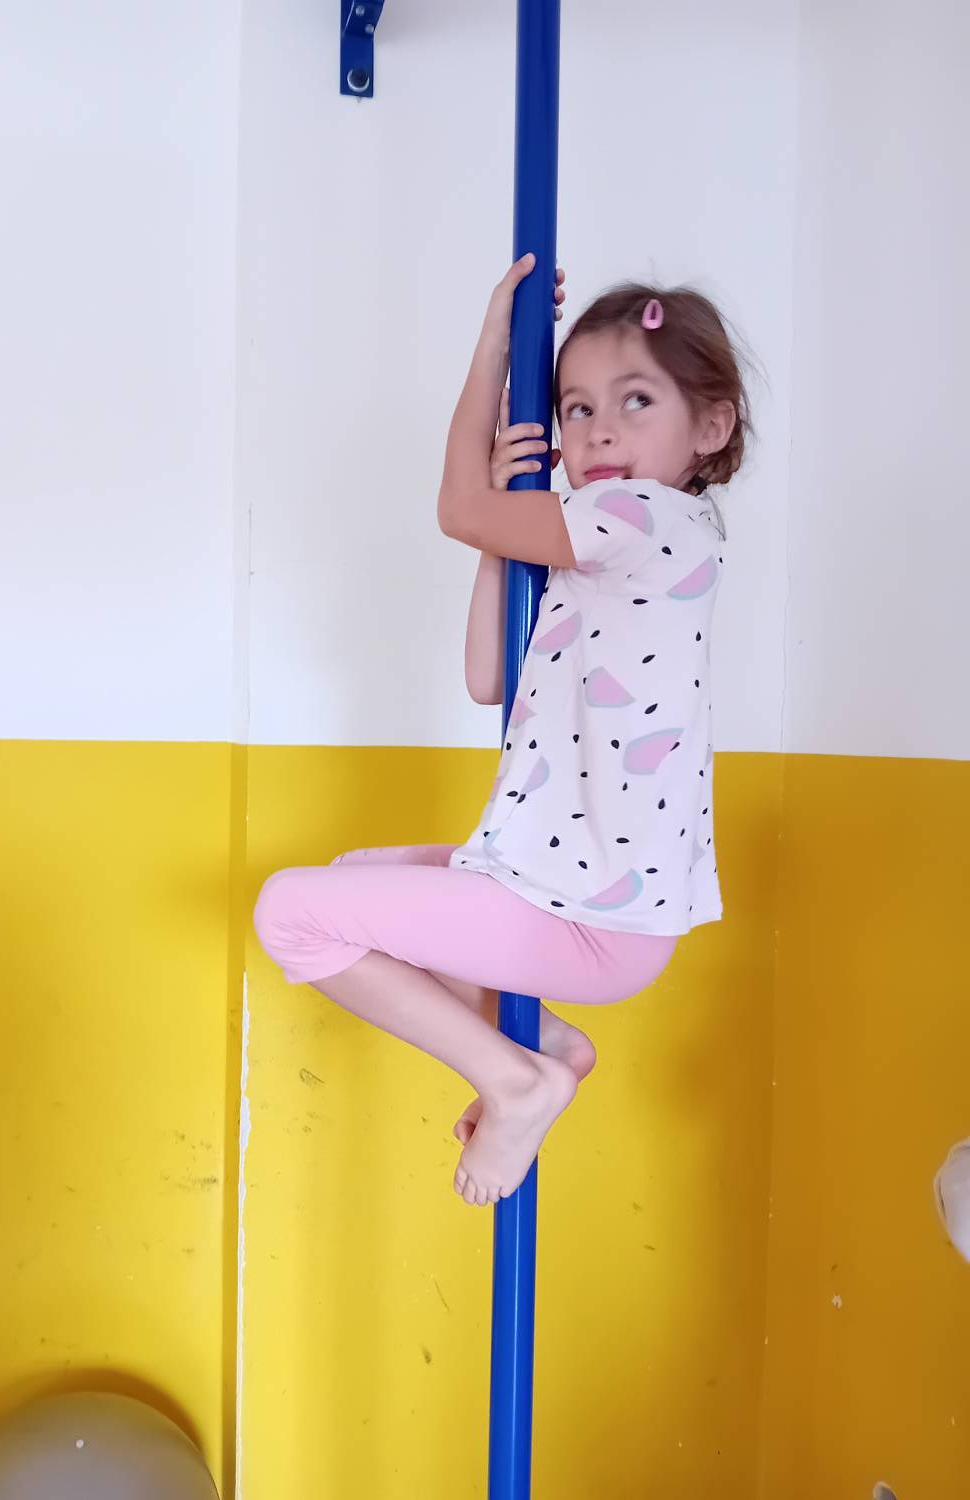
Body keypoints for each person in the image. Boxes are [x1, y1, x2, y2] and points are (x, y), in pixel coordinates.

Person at [254, 254, 750, 1208]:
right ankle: (548, 1046)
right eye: (575, 408)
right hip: (568, 894)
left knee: (292, 913)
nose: (598, 430)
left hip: (588, 912)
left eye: (636, 401)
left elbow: (456, 509)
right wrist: (500, 529)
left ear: (711, 427)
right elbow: (489, 677)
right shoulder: (598, 548)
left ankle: (515, 1080)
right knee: (354, 877)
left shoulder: (645, 517)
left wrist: (492, 348)